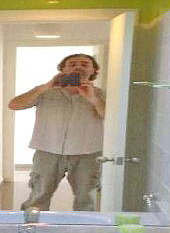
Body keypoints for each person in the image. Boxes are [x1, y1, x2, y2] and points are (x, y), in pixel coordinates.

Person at [8, 53, 106, 212]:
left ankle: (84, 226)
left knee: (86, 199)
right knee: (38, 197)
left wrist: (93, 98)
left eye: (84, 64)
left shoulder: (101, 94)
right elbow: (14, 105)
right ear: (62, 69)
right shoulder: (45, 91)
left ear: (93, 70)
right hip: (48, 151)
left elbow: (110, 117)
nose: (78, 67)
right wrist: (45, 87)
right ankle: (32, 225)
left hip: (87, 154)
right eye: (72, 64)